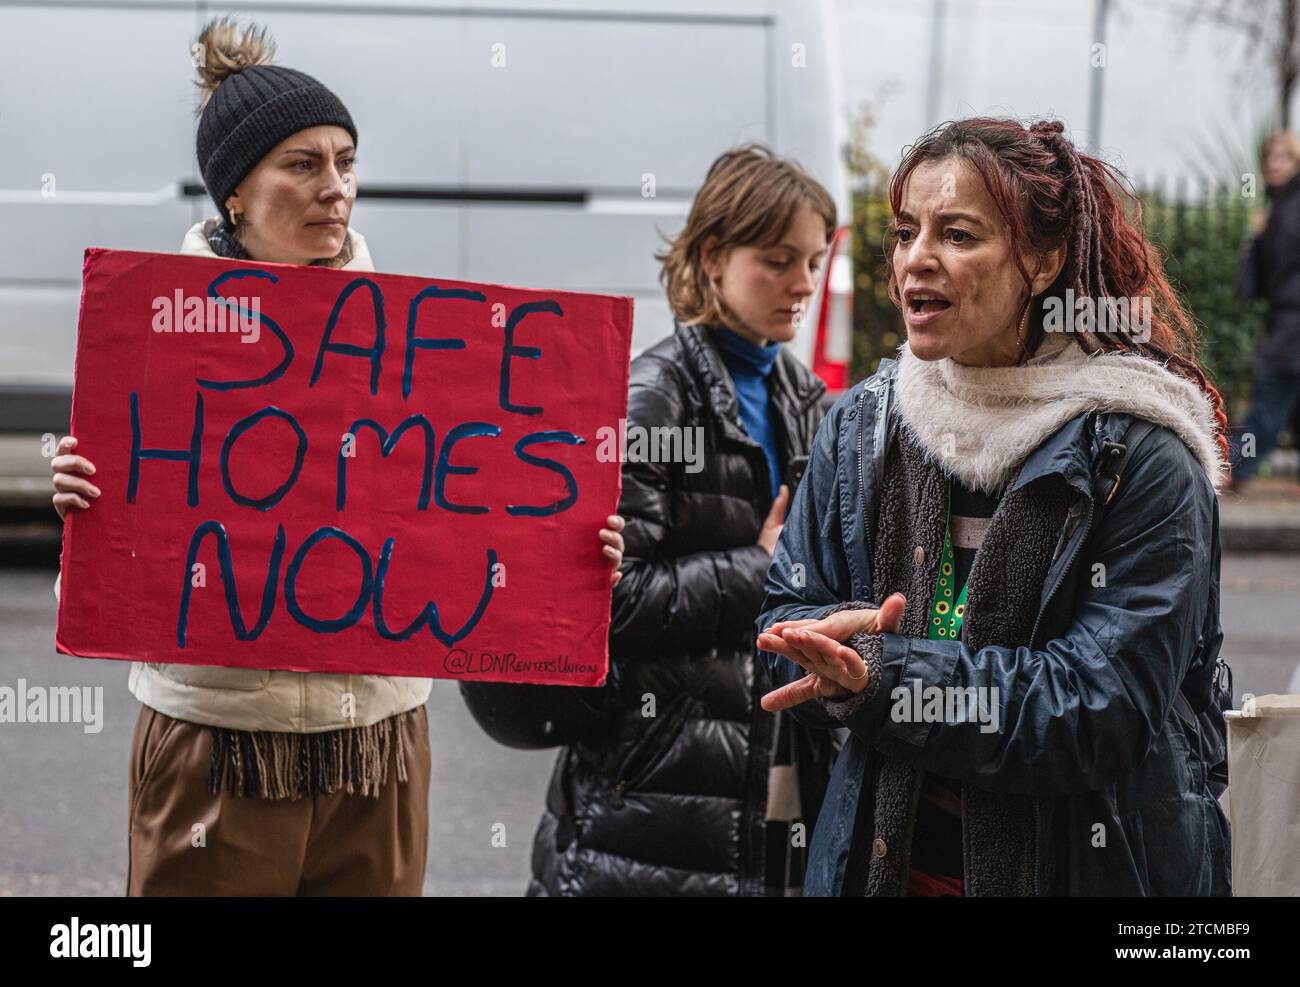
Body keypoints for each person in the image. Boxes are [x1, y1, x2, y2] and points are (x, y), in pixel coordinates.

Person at [49, 16, 623, 896]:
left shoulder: (418, 351)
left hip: (380, 741)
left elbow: (471, 518)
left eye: (346, 162)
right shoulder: (157, 347)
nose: (336, 188)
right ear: (235, 193)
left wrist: (570, 548)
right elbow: (104, 596)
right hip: (222, 745)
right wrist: (87, 519)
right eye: (303, 164)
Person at [757, 118, 1231, 897]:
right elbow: (783, 624)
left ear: (1041, 261)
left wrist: (883, 673)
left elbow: (1095, 709)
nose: (916, 259)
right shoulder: (860, 425)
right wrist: (825, 656)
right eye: (907, 232)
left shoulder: (1144, 455)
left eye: (959, 234)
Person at [511, 145, 837, 895]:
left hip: (761, 786)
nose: (804, 284)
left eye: (815, 261)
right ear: (714, 256)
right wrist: (764, 567)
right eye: (779, 259)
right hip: (643, 797)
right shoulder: (653, 395)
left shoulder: (809, 400)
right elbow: (610, 602)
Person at [1229, 130, 1300, 490]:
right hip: (1285, 318)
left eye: (1282, 157)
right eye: (1270, 158)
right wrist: (1259, 236)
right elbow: (1257, 281)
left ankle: (1236, 469)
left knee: (1272, 388)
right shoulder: (1278, 207)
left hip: (1294, 322)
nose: (1274, 164)